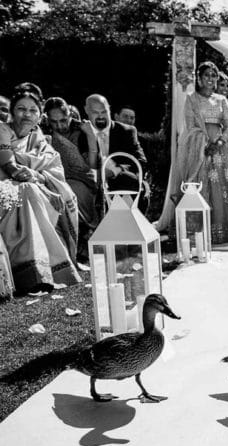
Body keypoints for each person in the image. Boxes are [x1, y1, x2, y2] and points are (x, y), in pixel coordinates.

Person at [161, 61, 228, 243]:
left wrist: (219, 141)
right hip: (199, 149)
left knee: (224, 187)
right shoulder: (192, 98)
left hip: (221, 149)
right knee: (200, 184)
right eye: (207, 75)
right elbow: (191, 125)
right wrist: (205, 143)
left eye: (214, 75)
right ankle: (196, 232)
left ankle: (227, 230)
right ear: (199, 78)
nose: (211, 79)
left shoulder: (221, 100)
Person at [0, 83, 81, 293]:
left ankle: (45, 271)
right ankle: (32, 273)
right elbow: (8, 167)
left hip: (37, 190)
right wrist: (37, 184)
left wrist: (36, 176)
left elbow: (56, 171)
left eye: (32, 110)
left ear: (39, 116)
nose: (27, 114)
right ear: (12, 112)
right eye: (21, 109)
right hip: (6, 188)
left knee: (31, 191)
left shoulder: (41, 142)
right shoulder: (3, 132)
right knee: (28, 192)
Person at [44, 96, 99, 260]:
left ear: (70, 115)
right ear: (48, 120)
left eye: (63, 120)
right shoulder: (43, 133)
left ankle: (81, 236)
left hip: (83, 180)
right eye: (54, 122)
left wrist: (91, 136)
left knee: (70, 190)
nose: (60, 126)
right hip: (54, 179)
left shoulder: (81, 132)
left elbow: (93, 165)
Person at [79, 94, 149, 214]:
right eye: (95, 112)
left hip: (122, 182)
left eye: (104, 112)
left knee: (128, 180)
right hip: (93, 182)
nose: (101, 116)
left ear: (110, 110)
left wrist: (115, 171)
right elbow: (88, 165)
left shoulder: (127, 131)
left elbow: (141, 162)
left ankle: (132, 224)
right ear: (87, 111)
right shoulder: (83, 134)